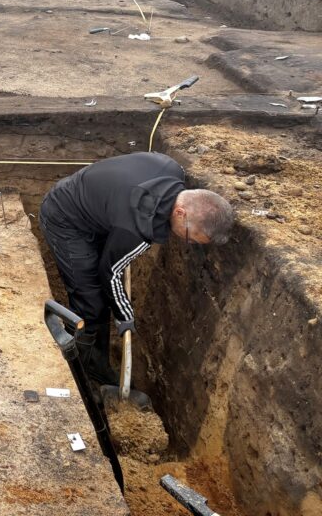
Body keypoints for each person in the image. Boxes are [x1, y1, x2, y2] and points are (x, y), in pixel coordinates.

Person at [39, 152, 234, 387]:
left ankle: (94, 362)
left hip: (98, 207)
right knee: (91, 302)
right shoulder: (136, 229)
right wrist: (124, 316)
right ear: (181, 212)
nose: (188, 243)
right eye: (189, 237)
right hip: (65, 218)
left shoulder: (173, 169)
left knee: (100, 287)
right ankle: (90, 370)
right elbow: (110, 273)